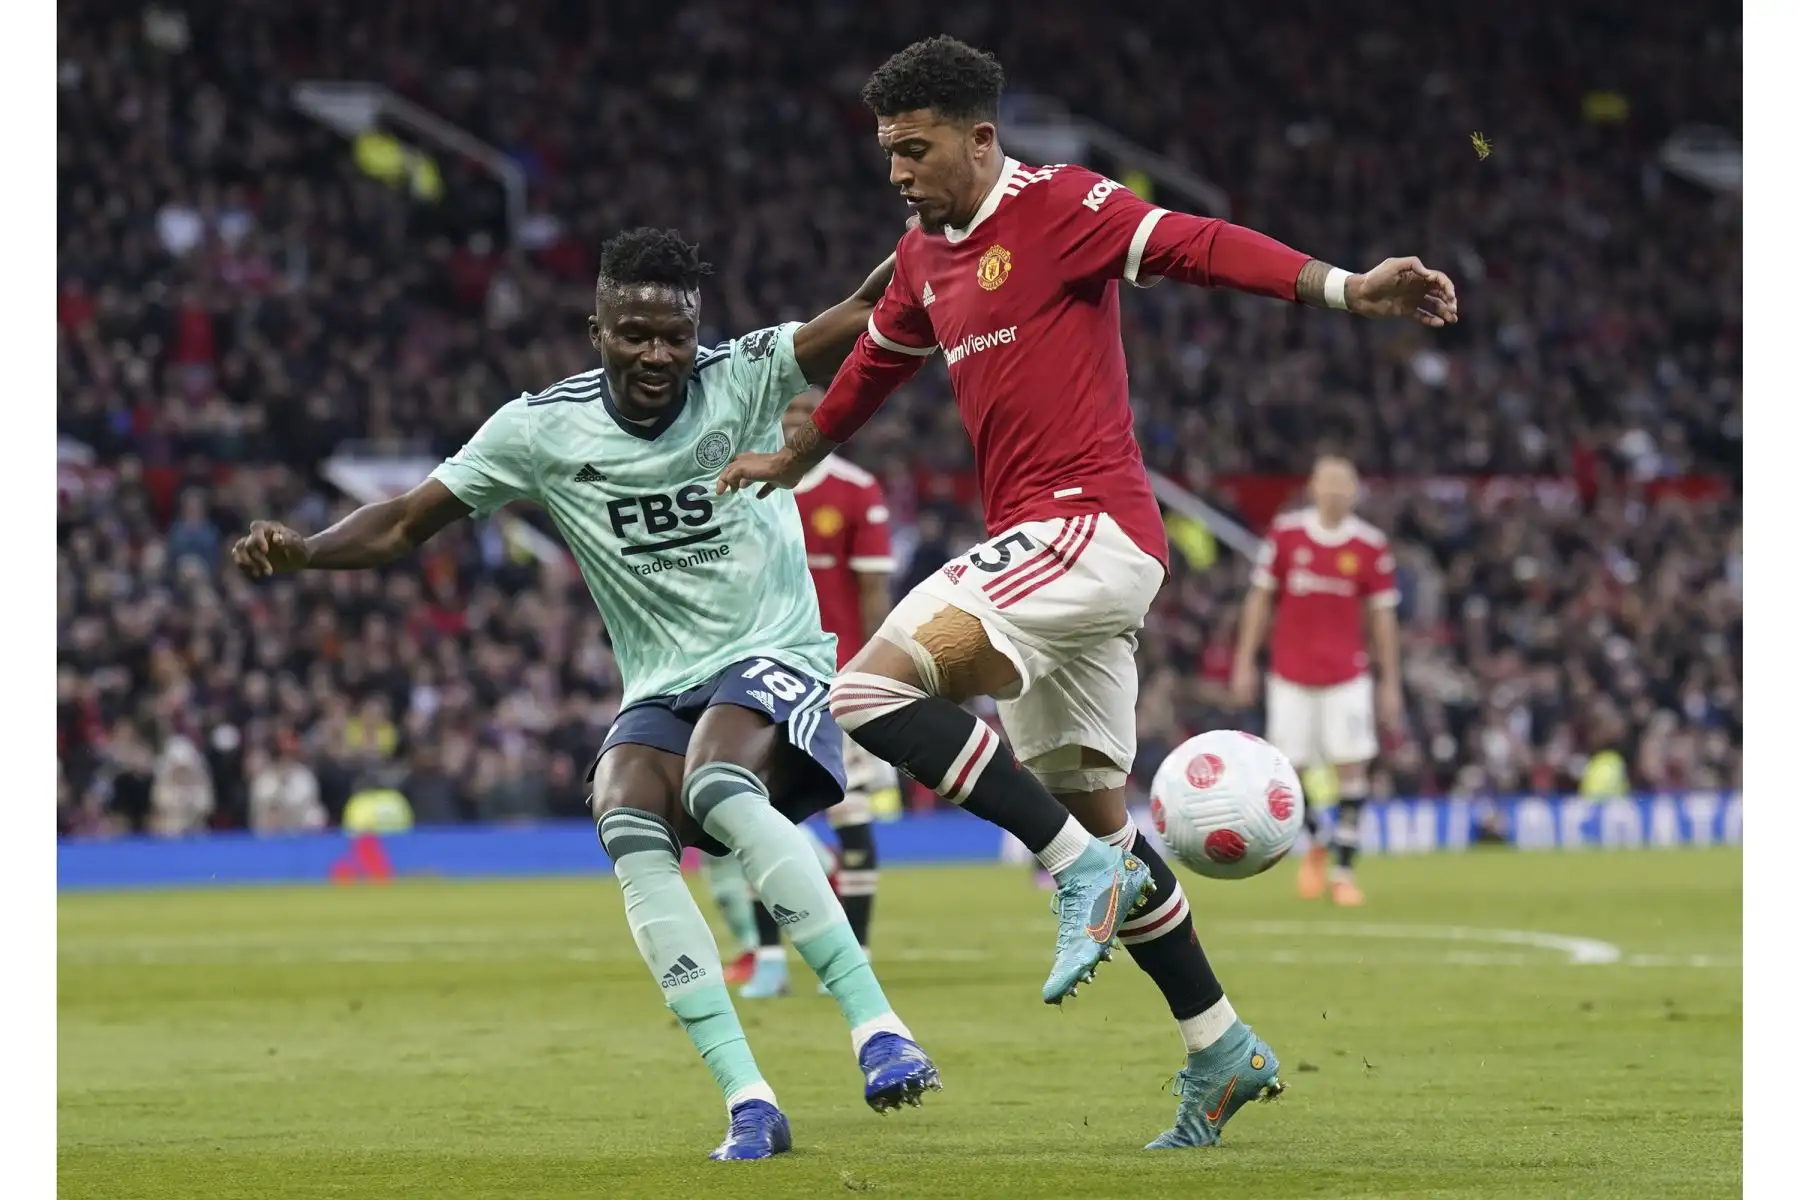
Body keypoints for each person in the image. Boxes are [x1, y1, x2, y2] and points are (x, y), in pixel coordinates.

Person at [718, 35, 1457, 1149]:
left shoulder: (1063, 205)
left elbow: (1200, 245)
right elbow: (872, 365)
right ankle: (1219, 1047)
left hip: (1093, 527)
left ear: (980, 137)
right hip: (1047, 552)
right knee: (1093, 810)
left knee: (863, 693)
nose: (898, 175)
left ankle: (1074, 878)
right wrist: (795, 456)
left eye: (915, 151)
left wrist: (1349, 288)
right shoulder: (925, 258)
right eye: (887, 154)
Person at [231, 228, 939, 1162]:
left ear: (697, 333)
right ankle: (749, 1100)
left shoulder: (750, 373)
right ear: (595, 327)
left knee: (718, 784)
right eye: (635, 334)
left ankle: (879, 1028)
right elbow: (406, 521)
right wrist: (309, 549)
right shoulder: (539, 429)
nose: (658, 355)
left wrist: (944, 231)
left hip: (775, 652)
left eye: (675, 337)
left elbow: (866, 310)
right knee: (623, 814)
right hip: (659, 681)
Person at [736, 389, 899, 999]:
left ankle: (854, 958)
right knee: (758, 820)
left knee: (853, 816)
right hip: (769, 678)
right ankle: (769, 958)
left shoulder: (856, 491)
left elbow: (872, 594)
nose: (798, 424)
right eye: (789, 414)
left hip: (839, 680)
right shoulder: (754, 483)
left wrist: (872, 672)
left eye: (810, 414)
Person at [1232, 455, 1402, 907]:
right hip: (1291, 675)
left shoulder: (1370, 545)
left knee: (1352, 769)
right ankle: (1319, 843)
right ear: (1312, 487)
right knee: (1287, 775)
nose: (1335, 492)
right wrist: (1245, 660)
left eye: (1343, 484)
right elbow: (1260, 599)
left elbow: (1382, 618)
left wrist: (1390, 682)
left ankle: (1344, 871)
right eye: (1327, 483)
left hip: (1347, 675)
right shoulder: (1287, 535)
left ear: (1354, 491)